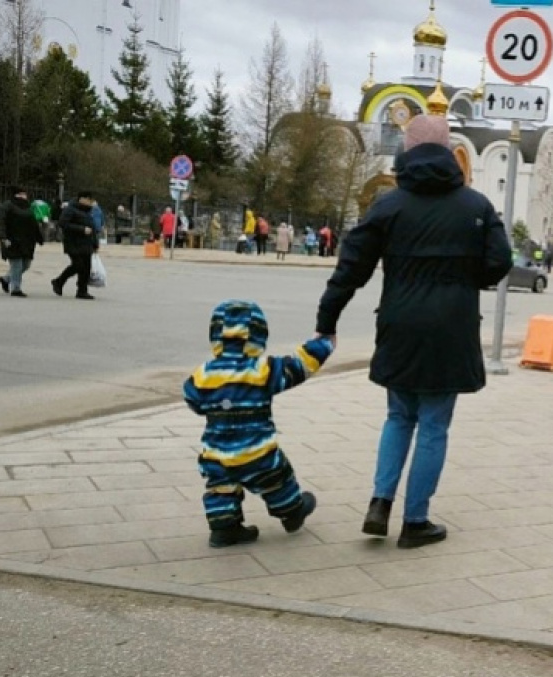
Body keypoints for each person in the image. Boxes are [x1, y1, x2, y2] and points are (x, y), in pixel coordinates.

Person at [316, 115, 512, 549]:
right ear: (448, 151)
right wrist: (466, 280)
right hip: (451, 328)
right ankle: (415, 520)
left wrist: (326, 322)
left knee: (398, 415)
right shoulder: (476, 206)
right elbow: (500, 260)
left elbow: (351, 269)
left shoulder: (388, 206)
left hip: (399, 323)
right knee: (434, 425)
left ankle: (379, 503)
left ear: (407, 150)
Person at [182, 300, 333, 548]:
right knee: (277, 479)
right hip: (257, 451)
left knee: (220, 487)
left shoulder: (204, 374)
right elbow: (298, 366)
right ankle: (292, 512)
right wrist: (323, 344)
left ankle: (224, 528)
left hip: (217, 453)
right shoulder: (262, 370)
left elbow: (192, 398)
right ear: (258, 335)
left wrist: (215, 405)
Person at [0, 188, 43, 298]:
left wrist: (39, 237)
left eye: (24, 194)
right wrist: (2, 237)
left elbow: (34, 223)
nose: (23, 196)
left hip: (27, 241)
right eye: (21, 194)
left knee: (26, 264)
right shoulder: (8, 206)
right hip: (12, 240)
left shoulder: (29, 207)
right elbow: (1, 222)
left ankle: (6, 279)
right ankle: (16, 289)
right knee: (16, 264)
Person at [51, 192, 100, 300]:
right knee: (78, 265)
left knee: (86, 267)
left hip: (87, 243)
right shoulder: (70, 209)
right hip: (73, 242)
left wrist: (95, 244)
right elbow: (63, 223)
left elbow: (93, 229)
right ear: (81, 199)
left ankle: (82, 291)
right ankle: (59, 281)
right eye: (88, 199)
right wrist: (81, 229)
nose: (90, 202)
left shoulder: (88, 211)